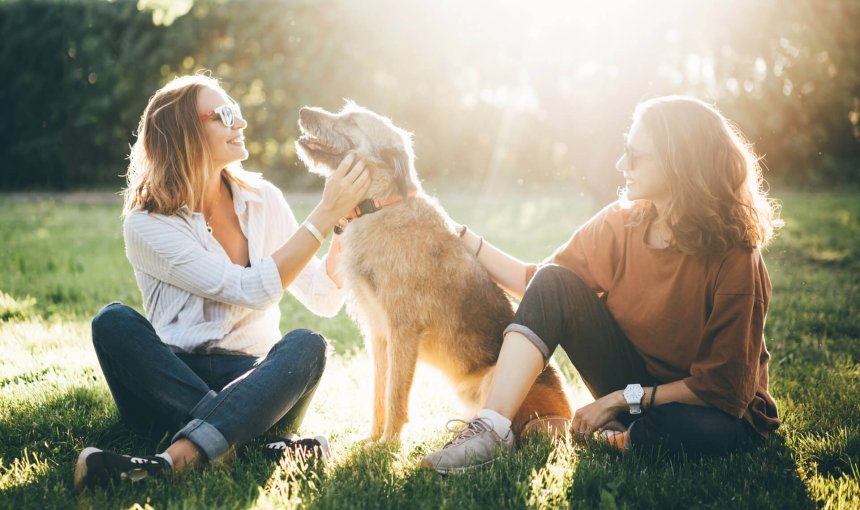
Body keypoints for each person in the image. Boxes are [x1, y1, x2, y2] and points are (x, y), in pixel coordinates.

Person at [421, 96, 782, 473]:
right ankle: (490, 431)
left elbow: (722, 388)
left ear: (679, 164)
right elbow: (541, 287)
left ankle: (617, 436)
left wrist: (617, 401)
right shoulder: (622, 222)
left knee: (690, 431)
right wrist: (461, 235)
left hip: (710, 408)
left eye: (634, 155)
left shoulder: (736, 256)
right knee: (554, 280)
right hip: (634, 388)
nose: (621, 164)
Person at [74, 74, 371, 492]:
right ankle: (252, 441)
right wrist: (322, 215)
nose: (241, 123)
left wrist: (340, 222)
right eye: (225, 115)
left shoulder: (264, 199)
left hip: (256, 377)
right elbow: (251, 289)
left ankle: (173, 460)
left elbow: (322, 296)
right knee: (113, 323)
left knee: (308, 344)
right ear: (185, 134)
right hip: (170, 379)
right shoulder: (146, 224)